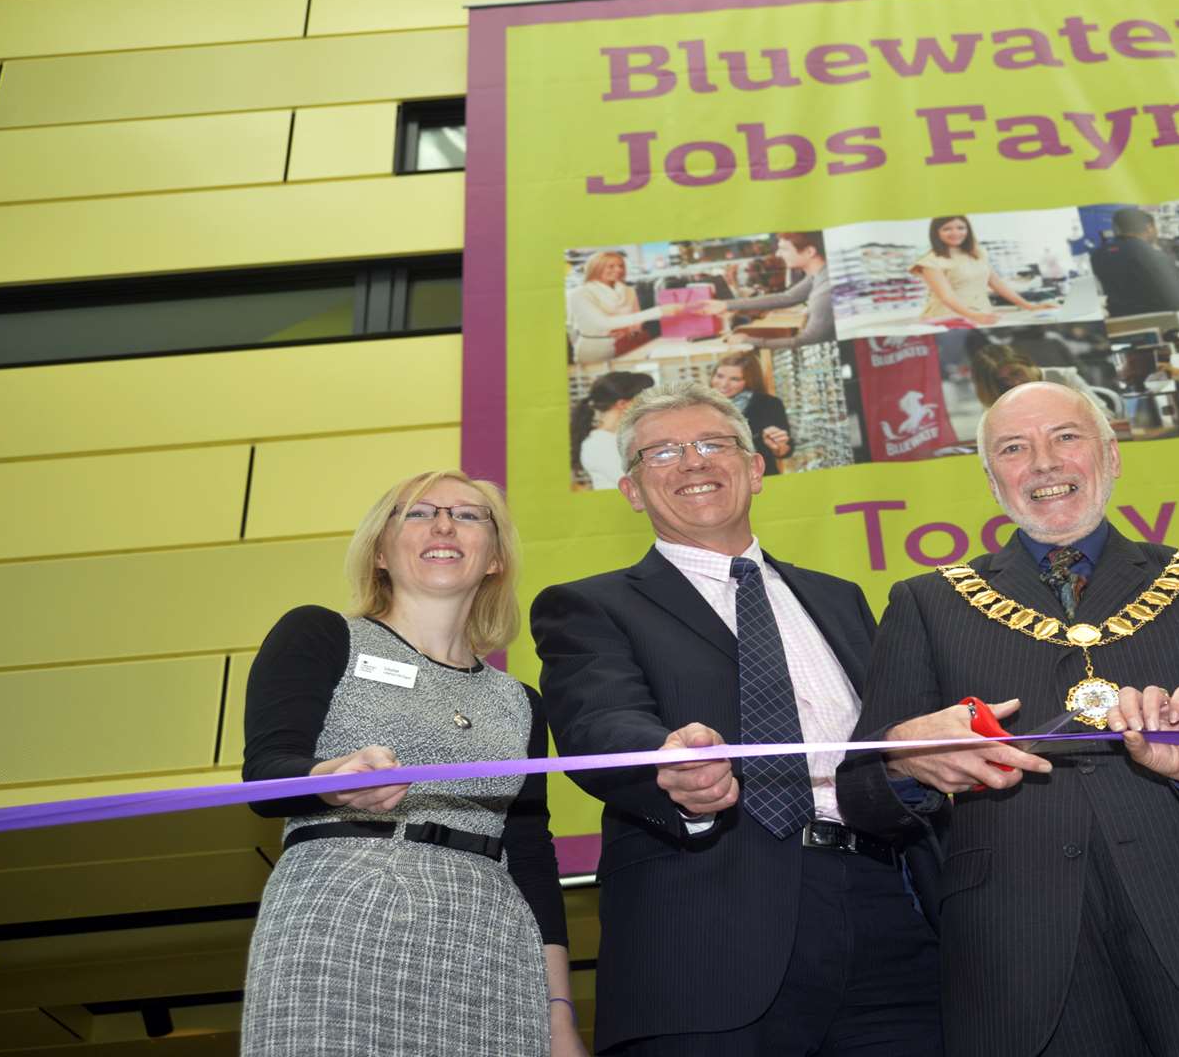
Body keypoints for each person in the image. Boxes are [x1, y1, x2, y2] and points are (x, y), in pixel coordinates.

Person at [837, 380, 1179, 1056]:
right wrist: (904, 762)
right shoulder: (926, 602)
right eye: (1015, 448)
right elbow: (860, 796)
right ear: (992, 481)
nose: (1043, 462)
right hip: (1021, 965)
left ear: (1111, 456)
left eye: (1065, 437)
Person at [530, 383, 941, 1056]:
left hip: (888, 917)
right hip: (706, 933)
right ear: (632, 491)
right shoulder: (588, 607)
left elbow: (890, 742)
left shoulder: (843, 600)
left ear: (755, 468)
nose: (691, 462)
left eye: (711, 444)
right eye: (661, 452)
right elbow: (599, 719)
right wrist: (667, 760)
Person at [241, 471, 580, 1056]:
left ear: (495, 557)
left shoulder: (520, 702)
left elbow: (530, 854)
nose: (444, 524)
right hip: (341, 911)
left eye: (469, 515)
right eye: (418, 513)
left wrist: (561, 1015)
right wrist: (331, 781)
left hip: (491, 935)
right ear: (379, 550)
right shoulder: (321, 635)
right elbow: (267, 778)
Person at [912, 215, 1057, 327]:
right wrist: (973, 316)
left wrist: (1029, 306)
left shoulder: (978, 253)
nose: (955, 232)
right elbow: (946, 296)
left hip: (982, 313)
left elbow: (997, 284)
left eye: (961, 227)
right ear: (936, 233)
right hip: (947, 317)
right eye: (947, 228)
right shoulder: (929, 261)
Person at [699, 231, 835, 348]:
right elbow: (787, 297)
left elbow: (806, 341)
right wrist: (727, 305)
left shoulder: (824, 291)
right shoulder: (819, 275)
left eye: (784, 249)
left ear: (810, 251)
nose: (778, 254)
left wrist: (748, 340)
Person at [568, 249, 683, 364]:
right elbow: (603, 323)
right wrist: (659, 311)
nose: (619, 270)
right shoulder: (580, 293)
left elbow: (637, 322)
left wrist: (627, 330)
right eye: (611, 266)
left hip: (626, 346)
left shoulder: (628, 291)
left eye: (621, 266)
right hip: (594, 352)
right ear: (596, 268)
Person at [1088, 207, 1179, 318]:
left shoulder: (1097, 255)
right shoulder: (1156, 257)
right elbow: (1178, 301)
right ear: (1149, 228)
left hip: (1121, 320)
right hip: (1158, 320)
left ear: (1116, 229)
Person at [709, 351, 794, 475]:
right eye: (720, 376)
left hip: (761, 479)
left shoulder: (769, 404)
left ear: (750, 381)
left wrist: (778, 447)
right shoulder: (702, 405)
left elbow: (786, 451)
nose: (724, 384)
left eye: (735, 379)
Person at [573, 371, 656, 489]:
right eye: (643, 399)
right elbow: (640, 483)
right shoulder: (598, 444)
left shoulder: (620, 437)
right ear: (622, 404)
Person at [967, 341, 1042, 407]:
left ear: (1026, 362)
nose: (1016, 383)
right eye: (1003, 380)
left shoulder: (1053, 378)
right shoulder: (996, 414)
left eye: (1016, 373)